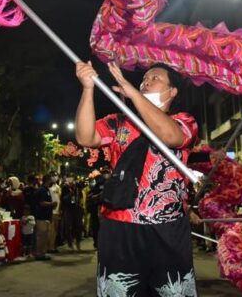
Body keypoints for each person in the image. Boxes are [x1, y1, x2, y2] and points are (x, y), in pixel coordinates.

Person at [75, 61, 199, 296]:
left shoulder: (185, 121)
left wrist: (130, 91)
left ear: (172, 91)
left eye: (156, 78)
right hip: (120, 226)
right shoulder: (120, 121)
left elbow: (169, 136)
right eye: (144, 79)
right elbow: (85, 137)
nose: (146, 81)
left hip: (168, 228)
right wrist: (88, 88)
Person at [33, 174, 55, 260]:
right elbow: (42, 203)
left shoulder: (46, 190)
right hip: (41, 216)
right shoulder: (42, 190)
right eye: (50, 179)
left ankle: (42, 253)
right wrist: (52, 204)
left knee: (44, 236)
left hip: (46, 216)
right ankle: (39, 254)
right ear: (47, 180)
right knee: (41, 236)